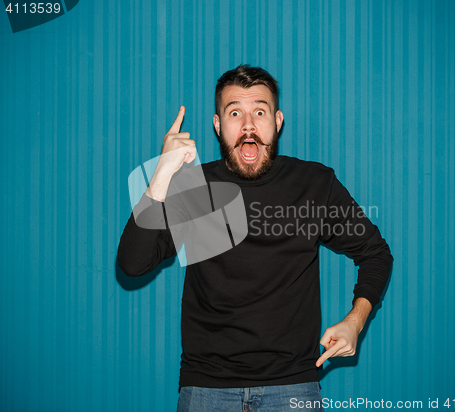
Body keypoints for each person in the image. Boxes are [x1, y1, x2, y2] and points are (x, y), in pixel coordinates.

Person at [118, 65, 393, 411]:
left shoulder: (313, 184)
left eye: (259, 112)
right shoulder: (194, 188)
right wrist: (162, 172)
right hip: (207, 388)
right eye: (235, 113)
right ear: (218, 126)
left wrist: (356, 321)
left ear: (277, 121)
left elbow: (376, 253)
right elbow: (132, 263)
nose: (248, 126)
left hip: (294, 386)